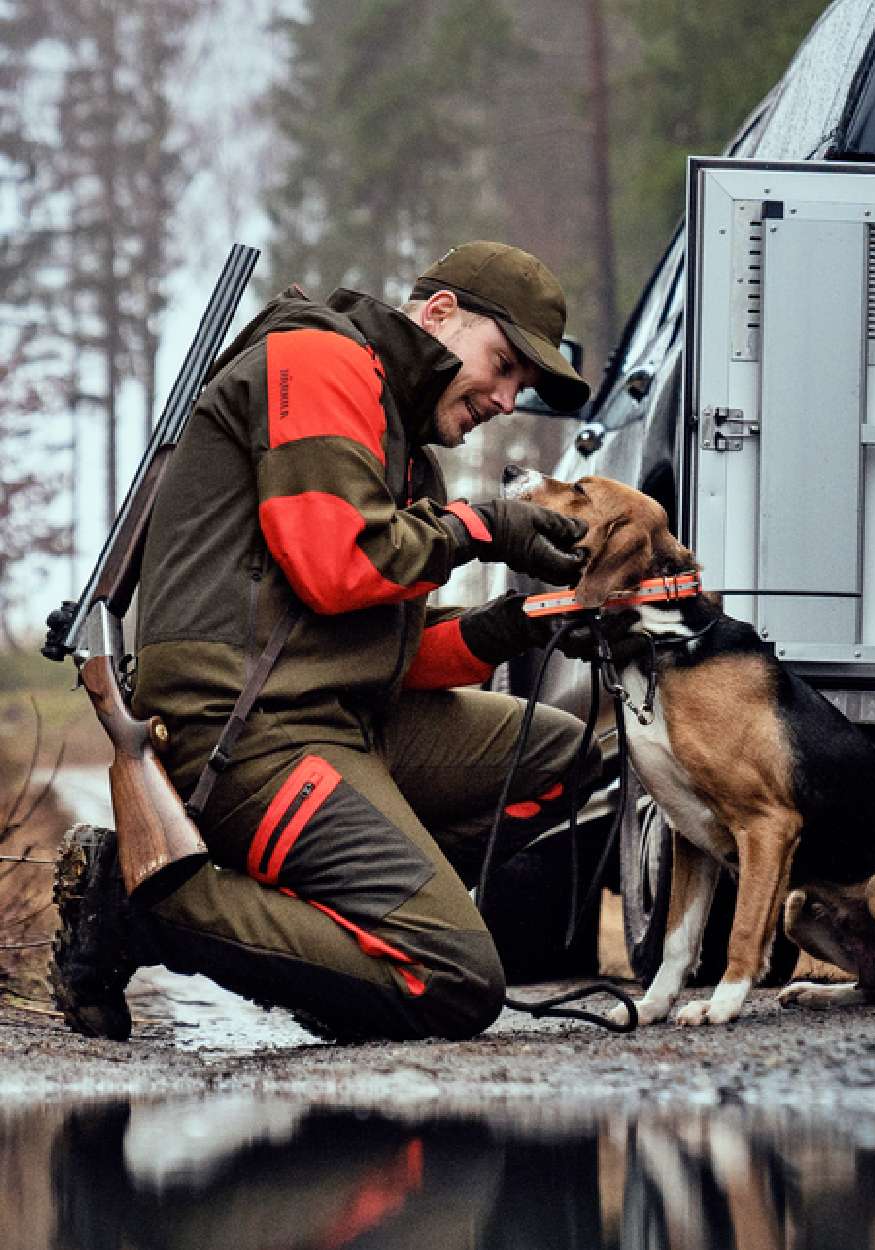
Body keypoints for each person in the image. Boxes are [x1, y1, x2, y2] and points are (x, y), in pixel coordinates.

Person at [51, 241, 608, 1043]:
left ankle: (341, 955)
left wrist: (521, 622)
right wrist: (482, 527)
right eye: (505, 363)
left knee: (556, 751)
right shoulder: (320, 361)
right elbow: (338, 568)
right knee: (453, 980)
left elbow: (387, 654)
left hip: (339, 720)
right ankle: (147, 909)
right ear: (441, 314)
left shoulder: (407, 454)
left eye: (523, 383)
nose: (509, 397)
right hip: (246, 734)